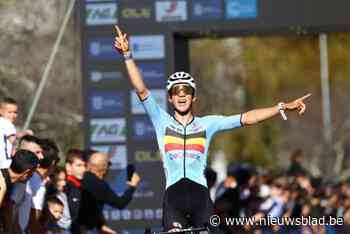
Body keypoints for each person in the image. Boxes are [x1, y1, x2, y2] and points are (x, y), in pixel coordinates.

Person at [114, 25, 311, 232]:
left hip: (201, 197)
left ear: (194, 97)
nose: (182, 95)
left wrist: (281, 107)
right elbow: (141, 89)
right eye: (176, 92)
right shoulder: (161, 120)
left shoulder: (208, 123)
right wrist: (127, 55)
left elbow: (247, 118)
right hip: (173, 196)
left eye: (187, 91)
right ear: (170, 98)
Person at [78, 151, 140, 234]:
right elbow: (120, 203)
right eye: (108, 164)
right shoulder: (99, 184)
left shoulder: (82, 178)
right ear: (104, 168)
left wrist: (101, 226)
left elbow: (92, 207)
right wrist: (133, 186)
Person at [64, 149, 86, 234]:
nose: (83, 169)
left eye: (85, 165)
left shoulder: (82, 187)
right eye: (79, 165)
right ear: (68, 167)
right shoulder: (64, 187)